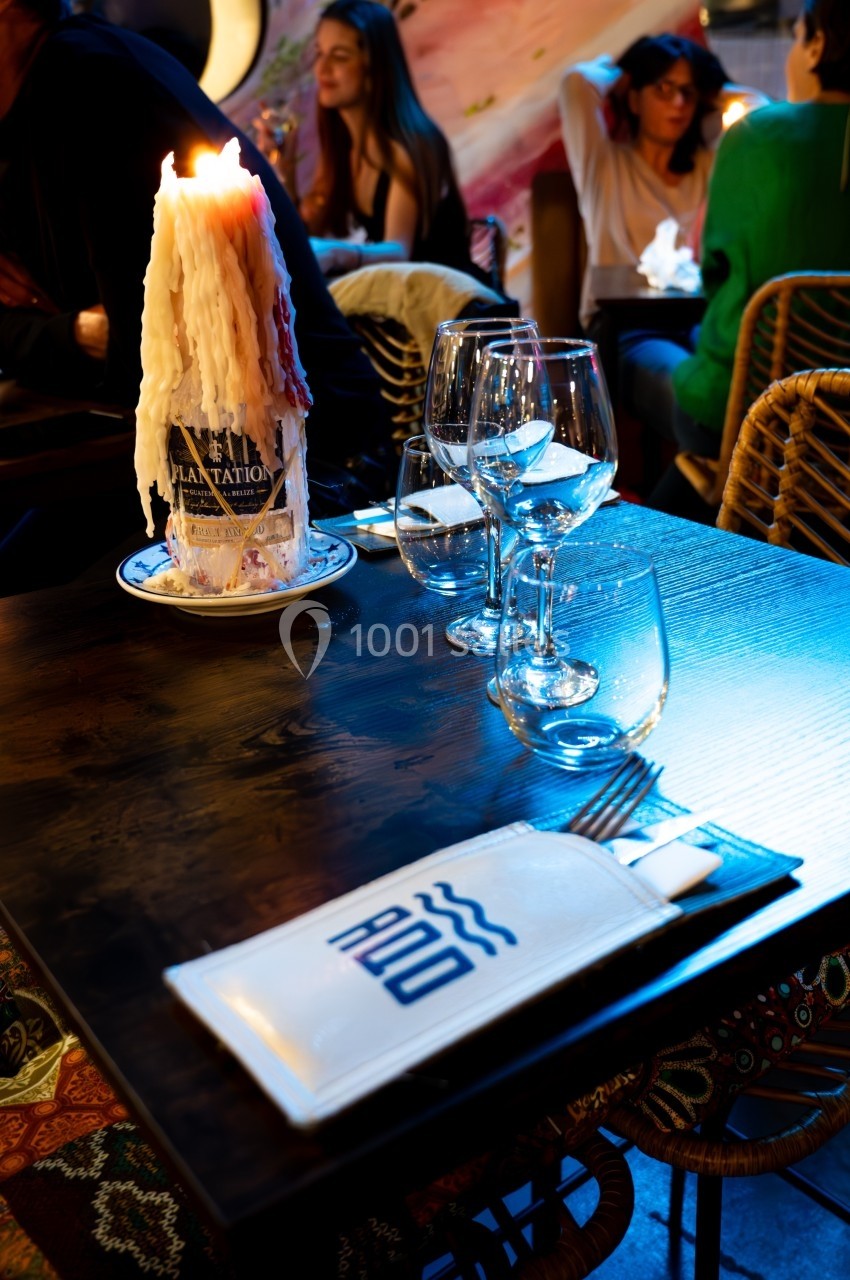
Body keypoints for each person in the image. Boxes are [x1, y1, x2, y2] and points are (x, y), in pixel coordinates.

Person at [0, 0, 393, 541]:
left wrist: (59, 330)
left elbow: (134, 356)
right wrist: (74, 331)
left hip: (303, 465)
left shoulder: (86, 78)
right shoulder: (30, 111)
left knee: (23, 599)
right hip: (186, 452)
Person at [559, 35, 765, 491]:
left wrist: (710, 87)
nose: (678, 103)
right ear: (633, 96)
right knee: (710, 414)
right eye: (663, 89)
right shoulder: (605, 166)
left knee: (750, 404)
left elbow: (757, 109)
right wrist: (625, 71)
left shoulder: (710, 166)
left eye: (688, 93)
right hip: (627, 333)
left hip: (700, 325)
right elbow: (577, 85)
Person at [666, 0, 850, 490]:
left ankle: (694, 507)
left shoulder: (759, 132)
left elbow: (714, 277)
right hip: (844, 417)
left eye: (794, 37)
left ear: (816, 46)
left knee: (639, 351)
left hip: (761, 408)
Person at [257, 0, 485, 284]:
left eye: (339, 56)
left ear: (374, 68)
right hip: (397, 306)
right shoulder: (345, 148)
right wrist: (285, 172)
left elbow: (399, 250)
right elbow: (306, 236)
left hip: (447, 307)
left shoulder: (411, 144)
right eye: (319, 54)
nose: (322, 69)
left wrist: (338, 253)